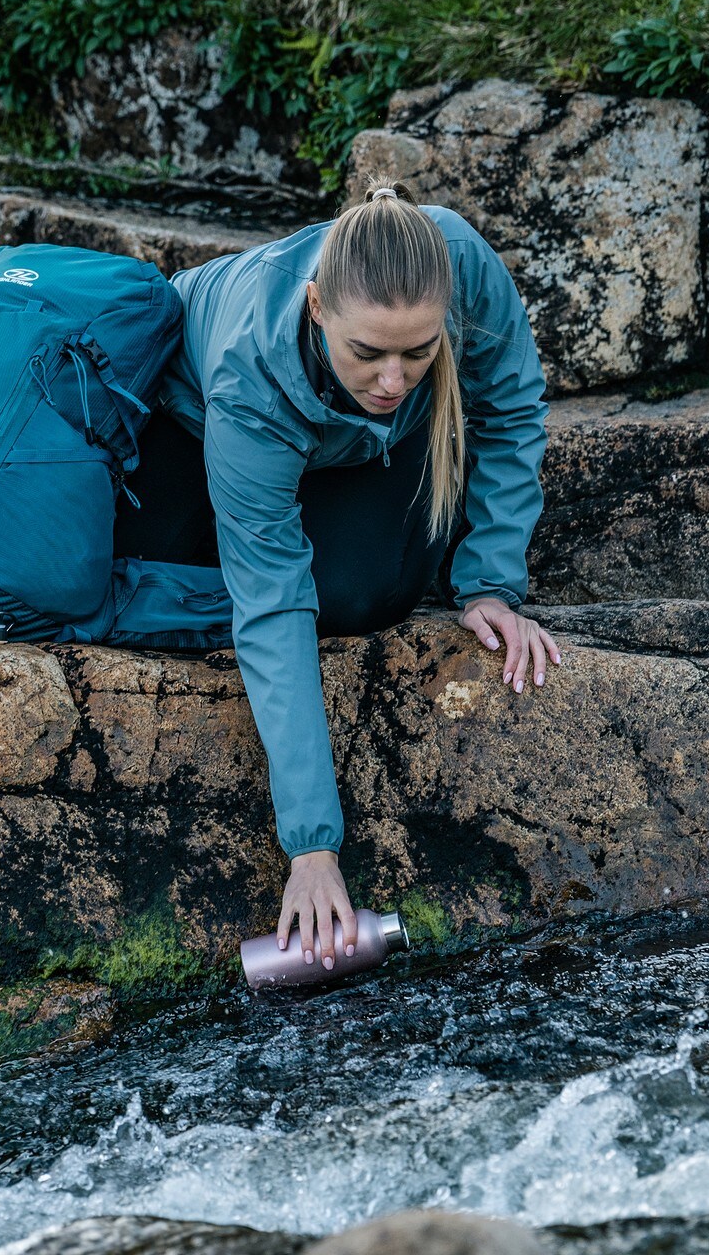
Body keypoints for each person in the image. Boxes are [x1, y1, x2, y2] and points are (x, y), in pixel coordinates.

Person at [113, 179, 560, 972]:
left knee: (365, 594)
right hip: (200, 420)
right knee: (288, 591)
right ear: (318, 308)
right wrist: (311, 846)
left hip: (349, 443)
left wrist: (492, 581)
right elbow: (277, 598)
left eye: (418, 353)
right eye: (370, 353)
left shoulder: (460, 261)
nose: (393, 378)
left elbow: (511, 404)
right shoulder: (248, 370)